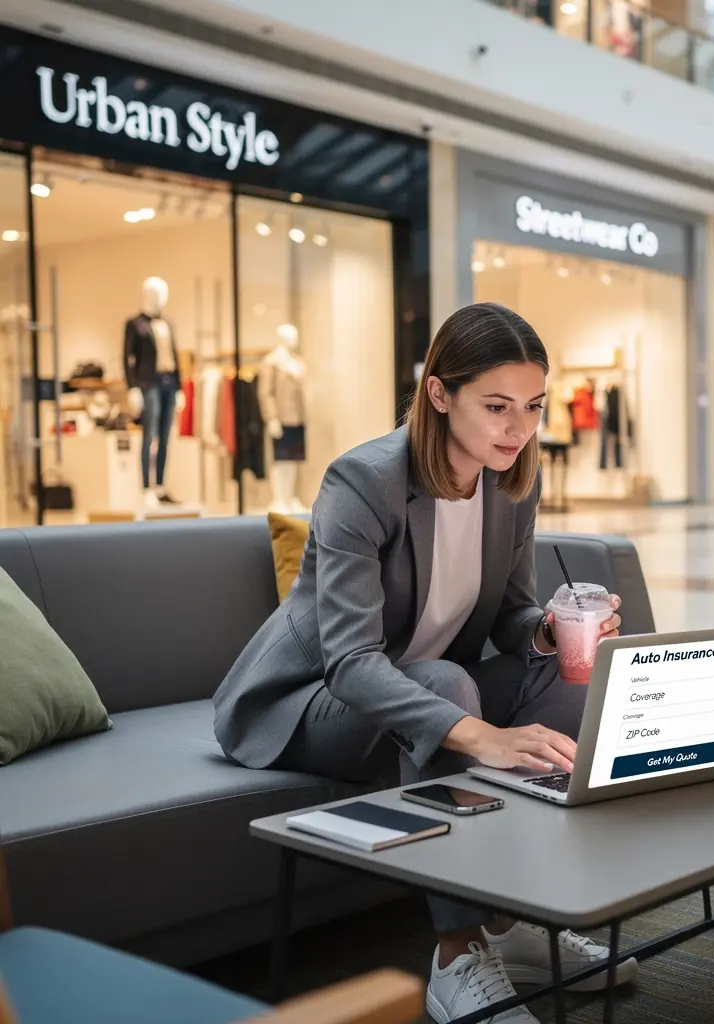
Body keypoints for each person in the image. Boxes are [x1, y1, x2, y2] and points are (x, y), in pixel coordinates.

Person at [212, 302, 637, 1024]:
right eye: (497, 406)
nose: (519, 428)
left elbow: (510, 611)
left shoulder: (514, 479)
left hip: (435, 684)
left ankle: (512, 919)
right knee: (446, 684)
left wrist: (550, 631)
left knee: (569, 678)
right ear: (439, 394)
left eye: (533, 406)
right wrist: (478, 735)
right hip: (311, 700)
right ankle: (457, 950)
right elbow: (350, 661)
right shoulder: (363, 482)